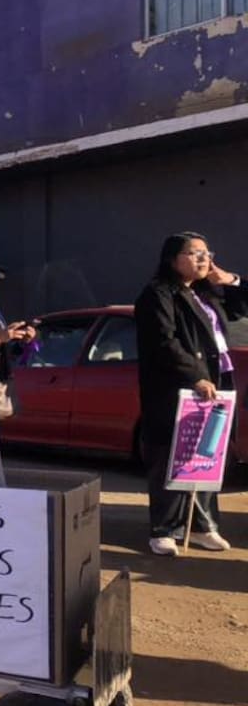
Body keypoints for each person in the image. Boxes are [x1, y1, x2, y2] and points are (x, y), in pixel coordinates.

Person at [136, 232, 246, 556]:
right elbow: (164, 342)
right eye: (194, 253)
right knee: (174, 456)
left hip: (218, 381)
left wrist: (230, 279)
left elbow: (241, 308)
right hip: (179, 387)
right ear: (173, 259)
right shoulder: (158, 294)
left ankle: (202, 526)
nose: (203, 259)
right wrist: (195, 376)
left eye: (206, 253)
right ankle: (165, 529)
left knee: (208, 455)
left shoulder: (205, 293)